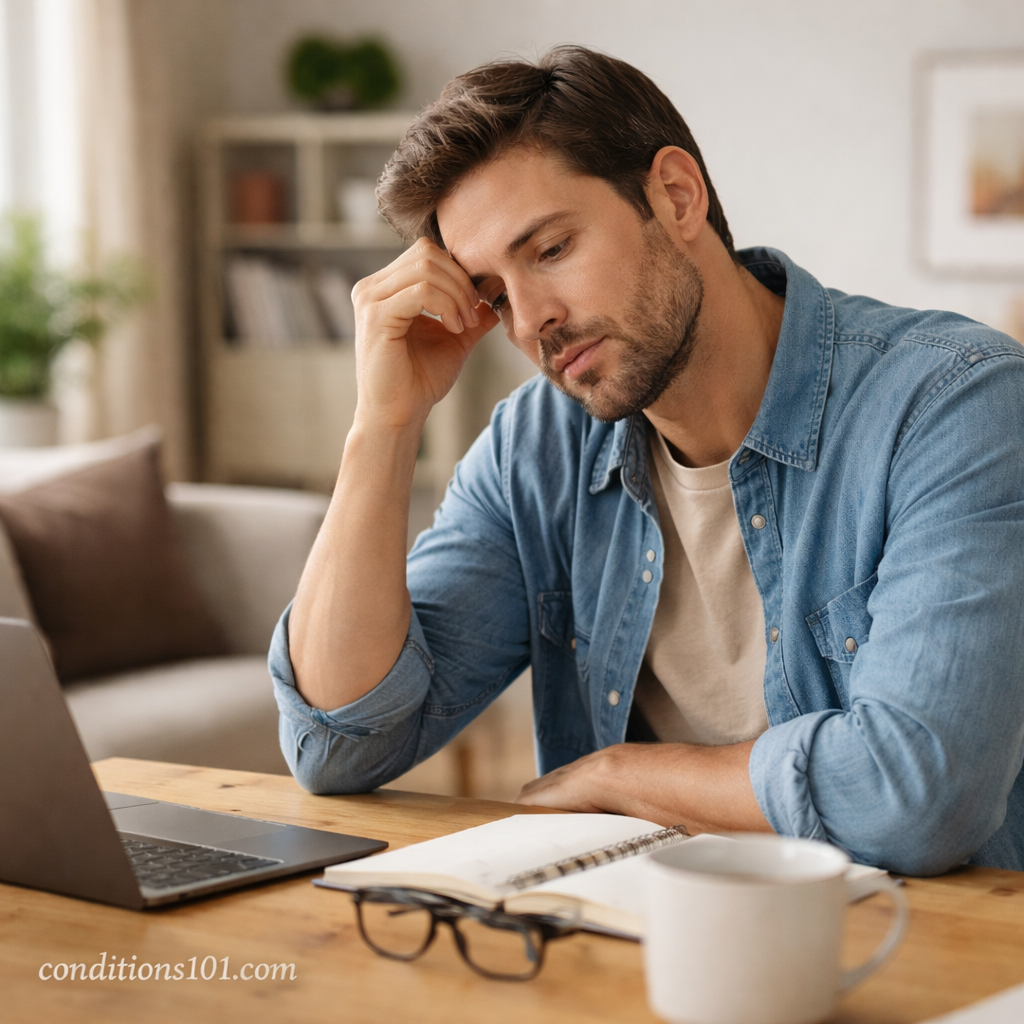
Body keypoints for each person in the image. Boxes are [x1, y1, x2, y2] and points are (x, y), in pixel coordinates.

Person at [269, 46, 1024, 875]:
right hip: (628, 944)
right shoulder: (539, 446)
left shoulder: (957, 403)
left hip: (927, 959)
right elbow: (338, 745)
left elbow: (920, 797)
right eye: (491, 291)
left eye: (551, 249)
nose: (530, 323)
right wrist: (383, 422)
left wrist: (618, 774)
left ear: (676, 196)